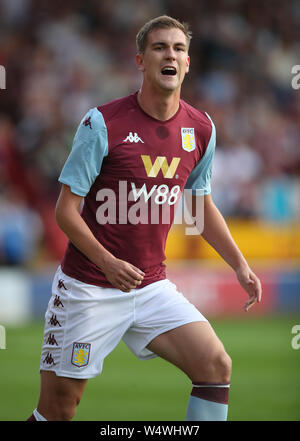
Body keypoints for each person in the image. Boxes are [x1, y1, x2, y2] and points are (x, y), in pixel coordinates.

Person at [27, 15, 262, 422]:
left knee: (215, 367)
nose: (170, 54)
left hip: (151, 286)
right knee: (58, 410)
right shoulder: (102, 123)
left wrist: (240, 266)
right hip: (89, 287)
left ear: (188, 63)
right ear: (140, 61)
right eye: (159, 47)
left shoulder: (201, 128)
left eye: (179, 48)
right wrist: (108, 263)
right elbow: (65, 210)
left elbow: (200, 206)